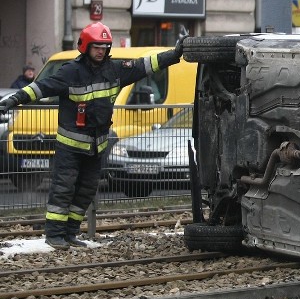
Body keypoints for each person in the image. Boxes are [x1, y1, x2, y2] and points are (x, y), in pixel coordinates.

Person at [0, 22, 187, 250]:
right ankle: (54, 235)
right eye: (97, 46)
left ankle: (70, 234)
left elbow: (146, 65)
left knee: (86, 191)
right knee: (64, 188)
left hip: (96, 147)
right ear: (86, 46)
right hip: (70, 147)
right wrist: (13, 100)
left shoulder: (115, 70)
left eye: (105, 47)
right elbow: (40, 87)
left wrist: (175, 53)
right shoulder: (71, 71)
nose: (101, 51)